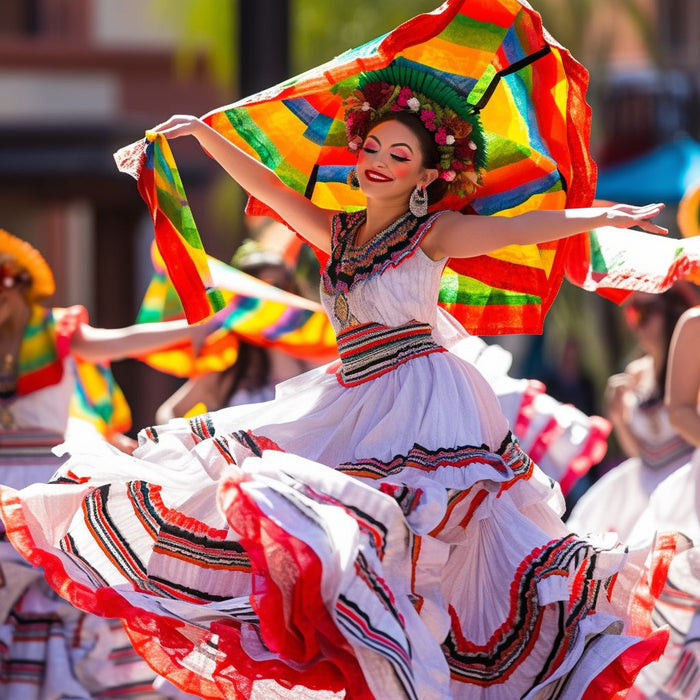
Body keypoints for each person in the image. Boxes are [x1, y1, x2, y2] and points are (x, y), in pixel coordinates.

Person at [0, 66, 678, 699]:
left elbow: (516, 229)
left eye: (399, 153)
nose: (378, 161)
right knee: (275, 501)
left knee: (427, 545)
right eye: (374, 146)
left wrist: (596, 216)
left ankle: (422, 667)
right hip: (349, 396)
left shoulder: (432, 232)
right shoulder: (339, 231)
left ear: (425, 174)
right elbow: (266, 189)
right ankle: (386, 662)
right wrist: (207, 135)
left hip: (422, 397)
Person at [0, 229, 214, 699]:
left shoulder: (56, 332)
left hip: (43, 483)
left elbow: (126, 341)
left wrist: (196, 327)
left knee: (61, 587)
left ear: (17, 284)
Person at [567, 288, 696, 541]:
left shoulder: (694, 372)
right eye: (631, 312)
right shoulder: (635, 373)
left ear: (673, 313)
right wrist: (617, 416)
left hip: (688, 490)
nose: (635, 323)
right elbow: (640, 453)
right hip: (641, 491)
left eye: (645, 311)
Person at [155, 241, 319, 422]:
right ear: (241, 300)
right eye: (265, 289)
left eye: (281, 288)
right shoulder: (229, 362)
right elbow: (169, 412)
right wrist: (186, 440)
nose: (275, 299)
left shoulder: (315, 351)